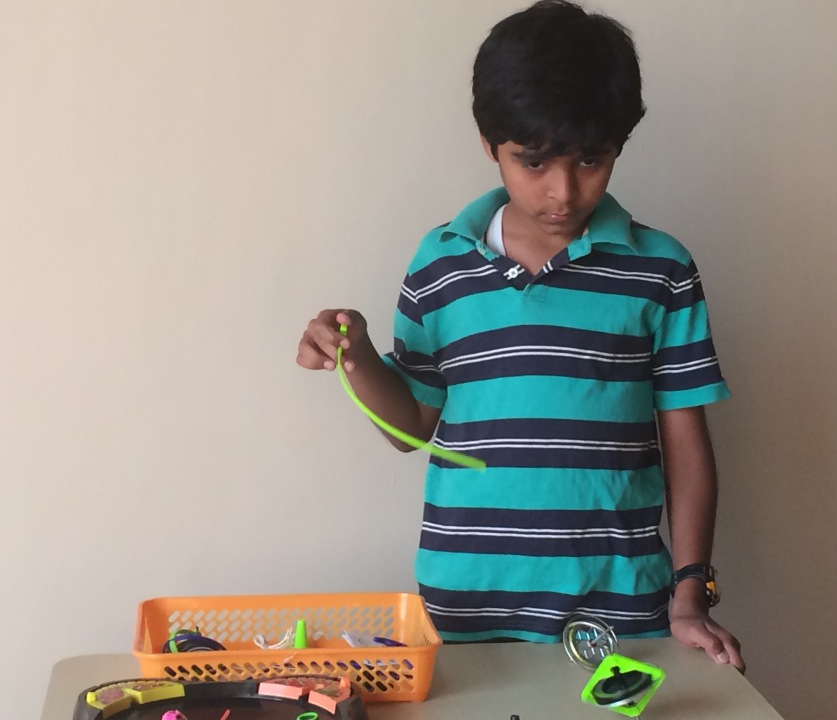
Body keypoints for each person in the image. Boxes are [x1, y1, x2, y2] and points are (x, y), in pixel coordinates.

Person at [297, 0, 744, 671]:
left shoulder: (661, 271)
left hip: (621, 612)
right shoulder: (440, 263)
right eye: (533, 162)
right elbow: (411, 426)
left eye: (591, 160)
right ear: (490, 148)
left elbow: (686, 444)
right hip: (467, 611)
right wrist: (356, 358)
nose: (563, 190)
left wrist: (690, 593)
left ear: (620, 144)